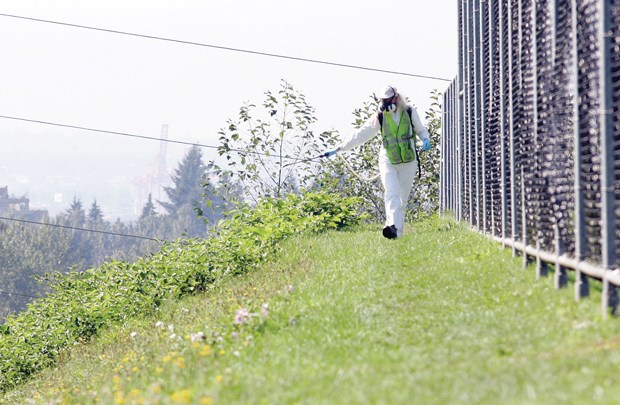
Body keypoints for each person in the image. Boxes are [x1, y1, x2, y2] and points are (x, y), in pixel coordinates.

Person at [324, 85, 431, 239]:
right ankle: (391, 225)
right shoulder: (379, 116)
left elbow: (421, 130)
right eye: (383, 100)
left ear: (396, 98)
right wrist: (340, 148)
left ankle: (397, 233)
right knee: (391, 192)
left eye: (388, 100)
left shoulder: (409, 111)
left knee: (402, 197)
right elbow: (361, 134)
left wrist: (425, 139)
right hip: (388, 160)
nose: (386, 104)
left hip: (408, 160)